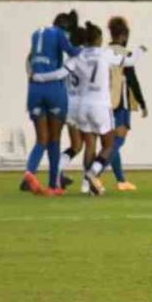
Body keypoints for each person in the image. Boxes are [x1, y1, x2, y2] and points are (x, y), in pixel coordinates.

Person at [66, 21, 146, 195]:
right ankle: (94, 174)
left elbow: (66, 73)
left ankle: (86, 186)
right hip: (104, 105)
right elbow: (130, 66)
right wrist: (141, 50)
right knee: (111, 143)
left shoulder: (79, 56)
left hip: (82, 105)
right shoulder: (107, 54)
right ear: (98, 39)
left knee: (90, 144)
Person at [22, 11, 82, 196]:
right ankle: (53, 184)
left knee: (41, 139)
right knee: (55, 139)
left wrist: (33, 76)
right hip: (53, 89)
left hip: (34, 89)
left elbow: (29, 60)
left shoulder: (36, 33)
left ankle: (29, 173)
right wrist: (87, 51)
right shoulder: (59, 34)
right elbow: (72, 51)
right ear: (66, 28)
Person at [106, 16, 148, 191]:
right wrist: (142, 102)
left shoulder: (105, 51)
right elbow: (132, 80)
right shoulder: (125, 54)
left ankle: (121, 180)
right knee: (118, 141)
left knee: (112, 141)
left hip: (106, 101)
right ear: (123, 35)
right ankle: (96, 171)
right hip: (121, 101)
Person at [58, 25, 87, 191]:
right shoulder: (86, 57)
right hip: (84, 105)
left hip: (69, 105)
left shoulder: (69, 58)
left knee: (76, 146)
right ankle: (87, 183)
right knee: (90, 144)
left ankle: (57, 172)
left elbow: (62, 77)